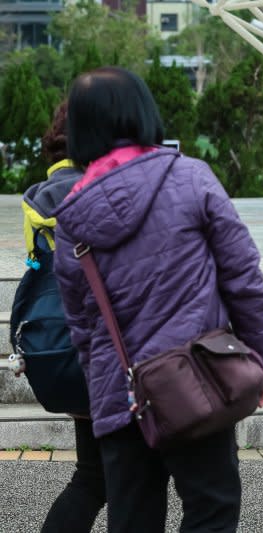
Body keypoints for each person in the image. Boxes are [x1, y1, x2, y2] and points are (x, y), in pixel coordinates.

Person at [52, 66, 263, 533]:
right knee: (212, 508)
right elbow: (243, 278)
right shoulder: (191, 177)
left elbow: (79, 322)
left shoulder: (71, 216)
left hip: (121, 394)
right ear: (143, 112)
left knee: (132, 519)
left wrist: (102, 386)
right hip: (197, 380)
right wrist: (257, 359)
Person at [17, 101, 107, 533]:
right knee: (130, 480)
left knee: (93, 477)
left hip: (60, 343)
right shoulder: (103, 189)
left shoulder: (38, 198)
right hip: (110, 351)